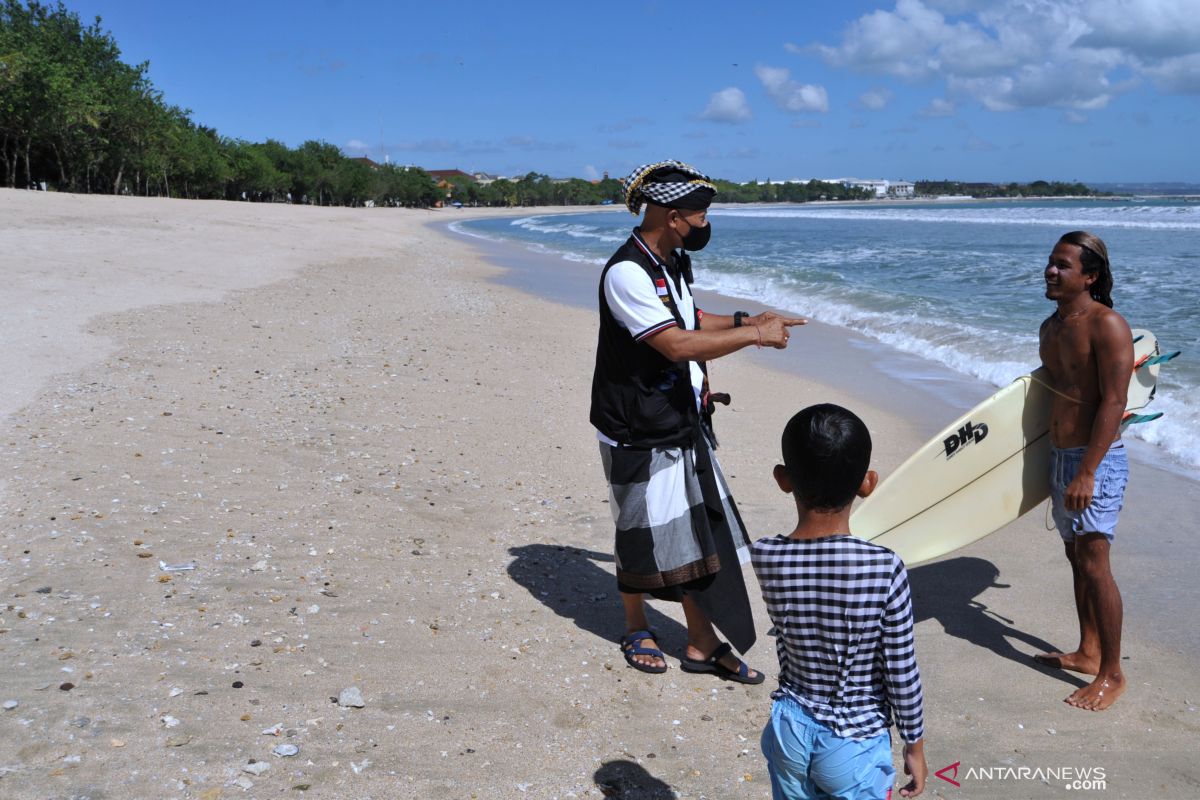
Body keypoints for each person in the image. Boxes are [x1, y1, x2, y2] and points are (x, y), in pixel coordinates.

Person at [591, 159, 805, 680]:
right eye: (700, 215)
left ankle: (700, 642)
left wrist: (746, 318)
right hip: (635, 426)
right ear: (669, 214)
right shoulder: (626, 272)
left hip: (679, 418)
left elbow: (691, 318)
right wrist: (756, 338)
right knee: (638, 530)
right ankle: (636, 625)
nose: (706, 224)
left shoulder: (671, 261)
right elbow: (676, 344)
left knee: (693, 534)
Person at [752, 404, 926, 799]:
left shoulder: (766, 555)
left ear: (783, 479)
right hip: (853, 741)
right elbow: (900, 669)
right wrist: (914, 744)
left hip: (789, 727)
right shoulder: (884, 567)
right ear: (868, 484)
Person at [1033, 231, 1133, 711]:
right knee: (1076, 558)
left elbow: (1115, 402)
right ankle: (1088, 650)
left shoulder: (1108, 325)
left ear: (1089, 276)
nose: (1051, 271)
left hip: (1096, 461)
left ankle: (1113, 674)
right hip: (1060, 457)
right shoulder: (1049, 327)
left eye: (1063, 265)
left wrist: (1088, 471)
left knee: (1096, 564)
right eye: (1051, 263)